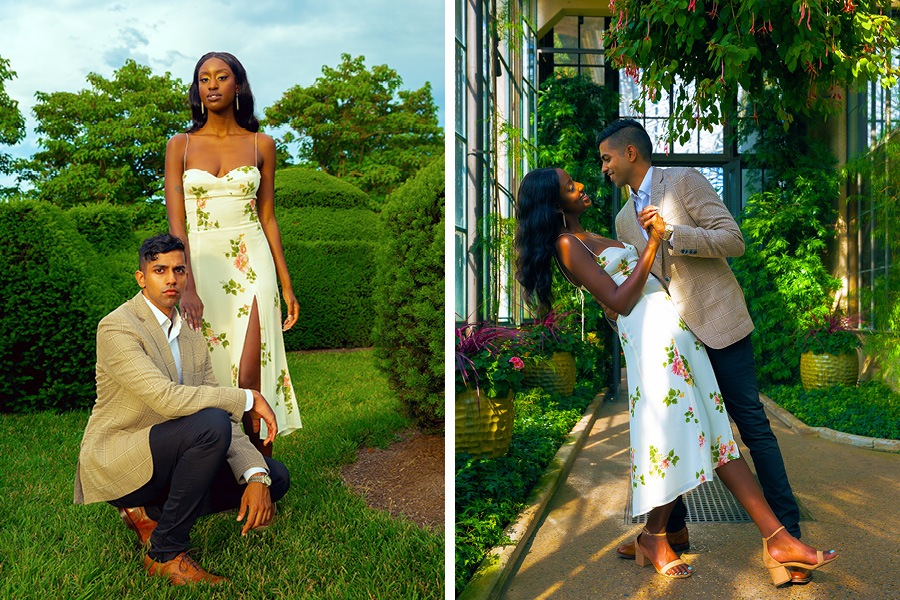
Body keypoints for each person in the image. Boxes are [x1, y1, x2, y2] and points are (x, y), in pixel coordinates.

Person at [514, 168, 836, 585]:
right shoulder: (567, 245)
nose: (581, 186)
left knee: (717, 432)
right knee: (680, 436)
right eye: (569, 186)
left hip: (676, 334)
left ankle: (769, 538)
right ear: (555, 203)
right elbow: (619, 300)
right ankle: (676, 537)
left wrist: (651, 251)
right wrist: (650, 245)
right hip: (653, 342)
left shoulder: (591, 235)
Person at [597, 118, 809, 582]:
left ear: (630, 153)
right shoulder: (620, 220)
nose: (604, 168)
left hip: (719, 327)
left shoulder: (686, 182)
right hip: (672, 343)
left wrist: (673, 233)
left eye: (607, 158)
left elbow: (734, 240)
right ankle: (673, 532)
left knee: (751, 428)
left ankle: (788, 540)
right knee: (672, 433)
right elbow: (642, 282)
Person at [74, 234, 291, 585]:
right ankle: (165, 552)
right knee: (211, 423)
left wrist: (255, 476)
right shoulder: (117, 327)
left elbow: (213, 404)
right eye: (159, 270)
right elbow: (167, 399)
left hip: (172, 453)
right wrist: (247, 399)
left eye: (179, 270)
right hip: (122, 456)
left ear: (188, 276)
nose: (171, 278)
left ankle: (152, 512)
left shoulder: (190, 334)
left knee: (276, 475)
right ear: (141, 278)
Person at [164, 51, 302, 456]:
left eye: (221, 77)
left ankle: (262, 472)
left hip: (252, 261)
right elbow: (177, 226)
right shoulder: (180, 146)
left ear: (238, 85)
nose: (211, 85)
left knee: (251, 367)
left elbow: (269, 218)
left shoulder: (262, 144)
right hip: (201, 264)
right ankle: (215, 460)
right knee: (207, 369)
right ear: (197, 89)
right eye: (203, 79)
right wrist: (184, 282)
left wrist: (286, 284)